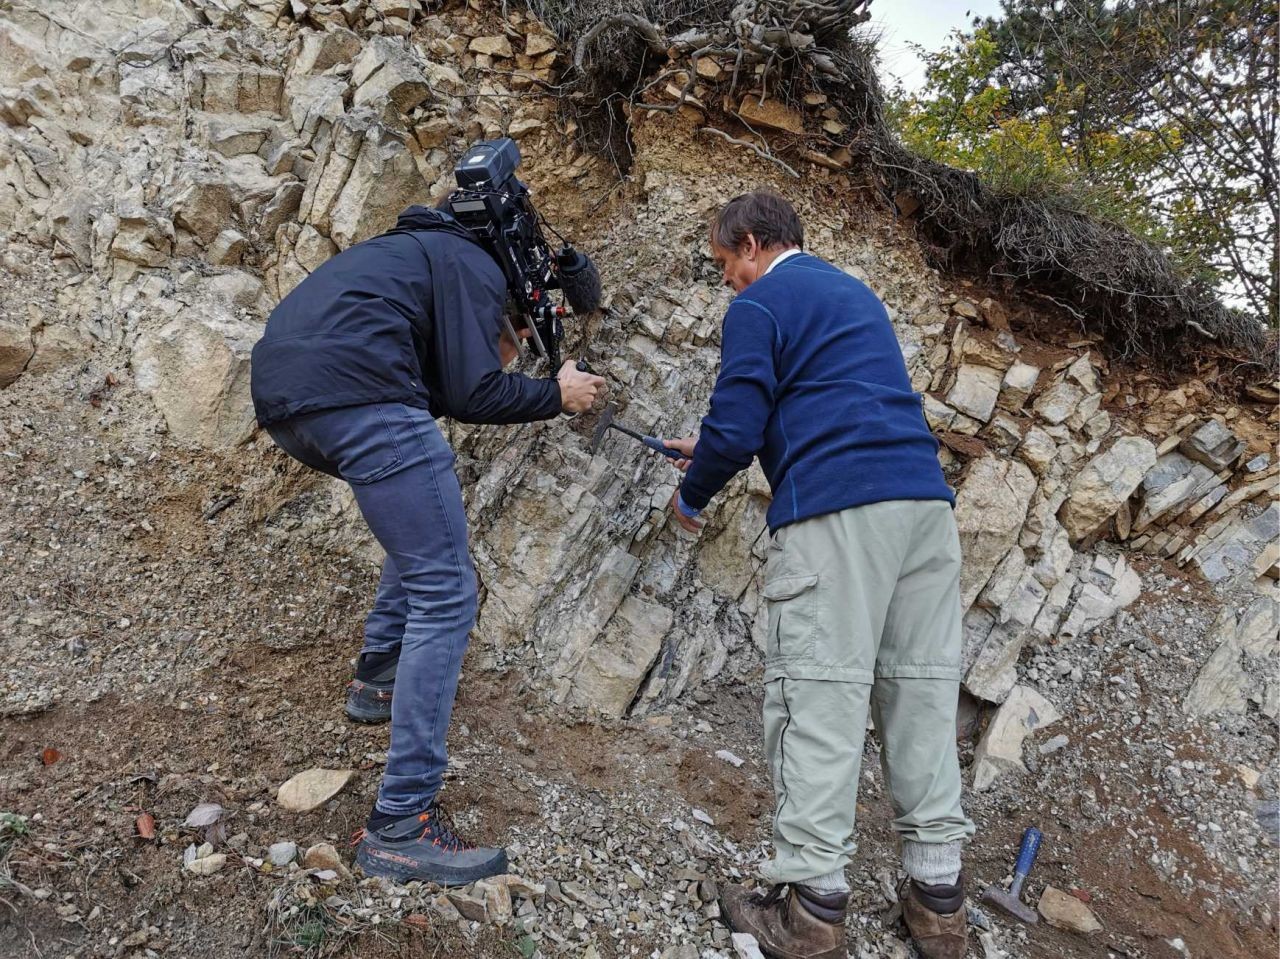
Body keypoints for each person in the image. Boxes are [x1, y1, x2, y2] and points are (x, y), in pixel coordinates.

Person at [250, 204, 605, 885]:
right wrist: (554, 393)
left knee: (420, 531)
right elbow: (476, 389)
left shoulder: (415, 254)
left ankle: (377, 677)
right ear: (511, 307)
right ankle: (401, 825)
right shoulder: (473, 266)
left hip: (291, 405)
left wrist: (526, 385)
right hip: (362, 397)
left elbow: (445, 384)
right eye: (517, 338)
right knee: (449, 593)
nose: (512, 352)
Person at [663, 192, 975, 959]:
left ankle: (809, 912)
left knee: (820, 695)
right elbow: (820, 407)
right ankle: (939, 904)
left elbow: (737, 428)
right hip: (923, 510)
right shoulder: (853, 294)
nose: (728, 282)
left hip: (841, 519)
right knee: (920, 692)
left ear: (751, 243)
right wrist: (710, 444)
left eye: (725, 264)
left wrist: (693, 490)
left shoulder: (760, 304)